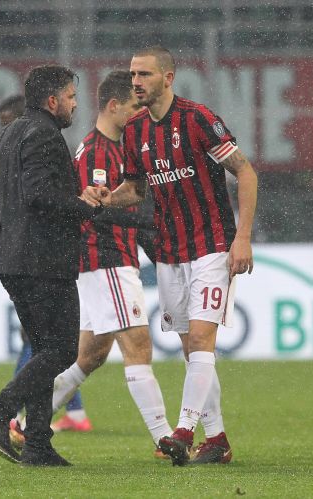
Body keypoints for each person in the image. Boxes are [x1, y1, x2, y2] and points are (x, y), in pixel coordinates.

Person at [82, 46, 258, 466]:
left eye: (143, 74)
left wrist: (243, 237)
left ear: (168, 77)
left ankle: (183, 430)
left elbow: (246, 171)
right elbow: (137, 189)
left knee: (201, 339)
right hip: (169, 250)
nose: (136, 82)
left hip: (213, 244)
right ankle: (216, 440)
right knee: (189, 346)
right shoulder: (136, 129)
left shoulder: (197, 119)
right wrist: (107, 199)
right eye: (132, 74)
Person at [0, 65, 101, 467]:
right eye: (71, 97)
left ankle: (38, 444)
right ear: (52, 101)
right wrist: (83, 206)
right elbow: (42, 195)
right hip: (44, 259)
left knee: (44, 348)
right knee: (62, 349)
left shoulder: (6, 134)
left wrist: (4, 234)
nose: (75, 105)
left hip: (13, 258)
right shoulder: (44, 135)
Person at [49, 70, 173, 456]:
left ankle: (21, 422)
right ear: (114, 106)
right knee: (138, 347)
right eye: (136, 106)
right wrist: (151, 223)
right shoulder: (98, 152)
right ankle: (165, 438)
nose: (141, 112)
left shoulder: (117, 146)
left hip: (109, 259)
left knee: (89, 356)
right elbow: (95, 211)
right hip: (106, 258)